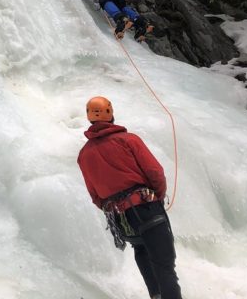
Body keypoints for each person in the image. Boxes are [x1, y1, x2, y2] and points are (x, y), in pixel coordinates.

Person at [77, 96, 182, 299]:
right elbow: (155, 172)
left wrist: (117, 206)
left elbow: (95, 195)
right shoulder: (128, 140)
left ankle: (156, 296)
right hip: (146, 209)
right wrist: (156, 197)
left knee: (141, 249)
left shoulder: (84, 154)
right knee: (164, 264)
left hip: (120, 218)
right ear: (110, 114)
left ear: (89, 118)